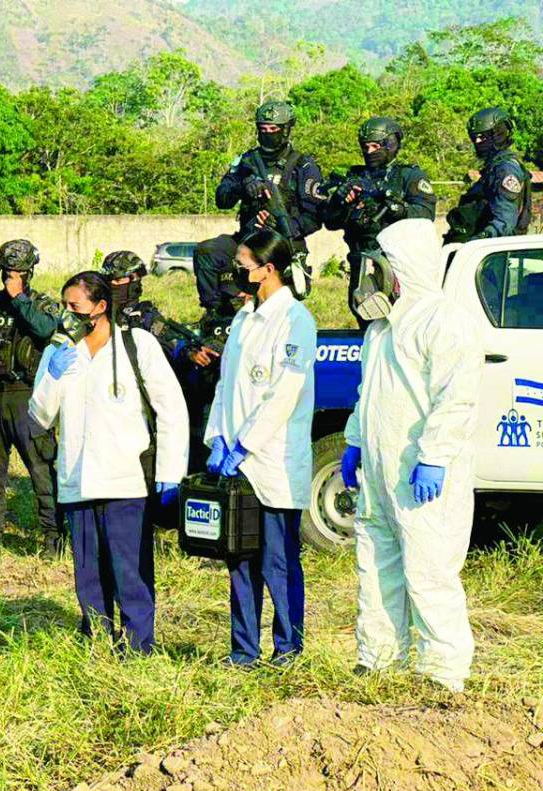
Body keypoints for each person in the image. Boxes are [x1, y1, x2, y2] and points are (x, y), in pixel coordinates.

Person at [340, 218, 480, 693]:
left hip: (420, 471)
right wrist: (355, 439)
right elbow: (369, 393)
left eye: (383, 266)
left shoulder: (445, 321)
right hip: (380, 469)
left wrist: (436, 456)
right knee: (375, 559)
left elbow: (456, 398)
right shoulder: (381, 327)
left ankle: (443, 669)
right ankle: (378, 655)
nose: (375, 275)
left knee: (429, 567)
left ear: (406, 267)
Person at [30, 271, 189, 653]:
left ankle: (138, 645)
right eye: (64, 306)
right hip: (76, 479)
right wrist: (52, 377)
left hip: (124, 481)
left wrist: (170, 472)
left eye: (75, 306)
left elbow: (172, 409)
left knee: (128, 570)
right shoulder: (59, 351)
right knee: (88, 572)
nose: (67, 314)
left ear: (100, 308)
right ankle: (97, 638)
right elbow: (39, 417)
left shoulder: (138, 345)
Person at [205, 230, 317, 667]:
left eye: (243, 264)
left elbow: (283, 394)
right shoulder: (243, 317)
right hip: (236, 461)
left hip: (271, 461)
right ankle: (243, 650)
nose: (236, 271)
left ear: (268, 270)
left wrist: (245, 444)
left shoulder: (295, 321)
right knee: (240, 560)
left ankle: (288, 647)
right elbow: (226, 384)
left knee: (278, 562)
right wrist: (217, 437)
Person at [0, 239, 63, 553]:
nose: (12, 277)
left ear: (30, 271)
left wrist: (19, 298)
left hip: (26, 398)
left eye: (19, 272)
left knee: (42, 471)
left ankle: (53, 539)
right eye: (8, 271)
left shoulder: (41, 304)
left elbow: (45, 331)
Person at [194, 100, 325, 317]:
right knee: (207, 251)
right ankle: (215, 314)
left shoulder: (303, 166)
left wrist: (285, 226)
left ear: (286, 129)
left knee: (276, 309)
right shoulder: (247, 161)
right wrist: (242, 187)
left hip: (282, 244)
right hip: (246, 241)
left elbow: (316, 217)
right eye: (262, 129)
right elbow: (221, 198)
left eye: (273, 129)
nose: (268, 134)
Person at [323, 117, 437, 324]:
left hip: (397, 264)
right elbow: (331, 222)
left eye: (375, 146)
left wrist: (388, 201)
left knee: (401, 321)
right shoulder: (353, 177)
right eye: (366, 147)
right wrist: (340, 200)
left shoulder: (408, 176)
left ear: (390, 144)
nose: (369, 152)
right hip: (362, 260)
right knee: (365, 319)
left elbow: (425, 214)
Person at [444, 107, 532, 243]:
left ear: (499, 135)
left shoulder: (506, 169)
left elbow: (505, 221)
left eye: (483, 137)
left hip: (490, 253)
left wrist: (480, 240)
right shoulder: (491, 169)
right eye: (475, 138)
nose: (477, 142)